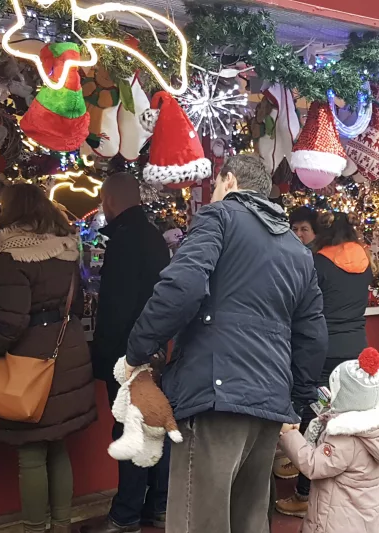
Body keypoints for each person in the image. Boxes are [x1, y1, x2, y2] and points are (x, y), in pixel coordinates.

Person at [124, 154, 328, 533]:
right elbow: (313, 332)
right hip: (269, 402)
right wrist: (297, 397)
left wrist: (137, 350)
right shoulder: (298, 251)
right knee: (250, 520)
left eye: (216, 186)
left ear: (229, 181)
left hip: (215, 395)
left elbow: (181, 287)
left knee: (198, 521)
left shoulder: (218, 218)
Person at [0, 183, 96, 533]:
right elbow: (76, 305)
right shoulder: (67, 247)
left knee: (31, 451)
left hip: (31, 356)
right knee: (57, 444)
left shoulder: (8, 251)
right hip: (69, 348)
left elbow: (12, 319)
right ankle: (61, 525)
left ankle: (35, 528)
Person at [86, 173, 171, 533]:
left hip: (127, 351)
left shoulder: (122, 240)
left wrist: (105, 356)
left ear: (109, 201)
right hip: (153, 349)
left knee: (130, 429)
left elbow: (116, 307)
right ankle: (159, 505)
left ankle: (125, 515)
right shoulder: (153, 236)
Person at [276, 211, 373, 518]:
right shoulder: (365, 260)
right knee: (343, 420)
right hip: (355, 349)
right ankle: (336, 483)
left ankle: (305, 492)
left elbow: (298, 302)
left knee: (313, 419)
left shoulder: (318, 262)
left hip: (322, 350)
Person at [279, 349, 379, 533]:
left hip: (334, 521)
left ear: (346, 397)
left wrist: (289, 435)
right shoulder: (377, 430)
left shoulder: (345, 439)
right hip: (361, 518)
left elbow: (314, 465)